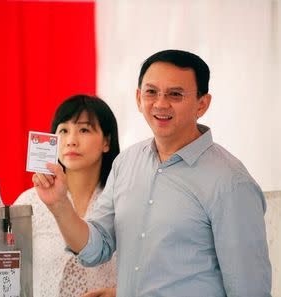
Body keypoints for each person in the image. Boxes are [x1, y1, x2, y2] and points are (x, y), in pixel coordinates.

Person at [32, 50, 272, 296]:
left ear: (202, 104)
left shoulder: (230, 181)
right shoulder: (126, 163)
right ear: (138, 98)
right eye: (151, 92)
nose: (160, 103)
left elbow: (249, 289)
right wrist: (60, 203)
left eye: (175, 94)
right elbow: (96, 248)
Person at [15, 95, 120, 297]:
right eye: (63, 130)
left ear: (106, 141)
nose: (71, 141)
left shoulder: (122, 201)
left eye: (84, 130)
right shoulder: (30, 203)